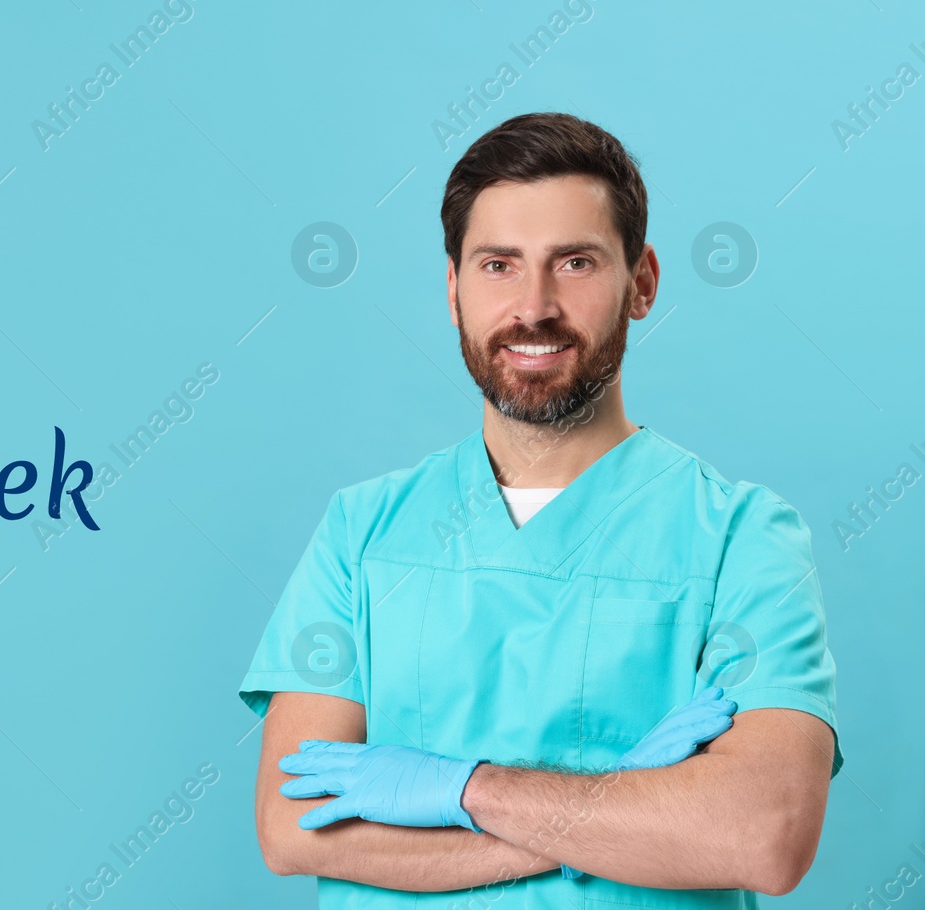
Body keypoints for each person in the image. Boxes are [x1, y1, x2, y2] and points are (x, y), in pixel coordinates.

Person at [238, 112, 841, 906]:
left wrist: (461, 789)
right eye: (497, 265)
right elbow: (293, 827)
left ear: (644, 282)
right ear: (453, 292)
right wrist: (616, 805)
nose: (534, 305)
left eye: (576, 262)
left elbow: (761, 836)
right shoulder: (363, 533)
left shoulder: (742, 540)